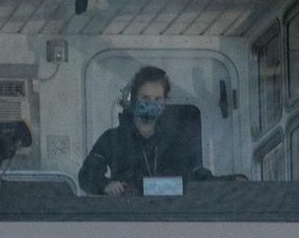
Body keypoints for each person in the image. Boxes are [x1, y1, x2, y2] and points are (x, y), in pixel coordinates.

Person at [77, 65, 207, 197]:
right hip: (127, 213)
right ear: (133, 99)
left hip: (170, 213)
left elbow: (197, 174)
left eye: (157, 99)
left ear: (165, 101)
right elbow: (86, 176)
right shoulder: (112, 138)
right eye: (146, 98)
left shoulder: (177, 141)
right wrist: (105, 185)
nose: (151, 103)